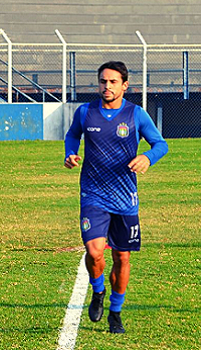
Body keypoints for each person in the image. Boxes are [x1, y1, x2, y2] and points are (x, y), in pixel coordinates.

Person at [64, 61, 168, 333]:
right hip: (93, 193)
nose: (106, 86)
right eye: (102, 81)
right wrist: (70, 153)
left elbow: (161, 144)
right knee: (94, 251)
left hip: (125, 198)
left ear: (124, 85)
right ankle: (98, 291)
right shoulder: (86, 112)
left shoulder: (136, 115)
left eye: (112, 82)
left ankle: (115, 312)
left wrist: (147, 156)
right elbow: (73, 135)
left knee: (122, 258)